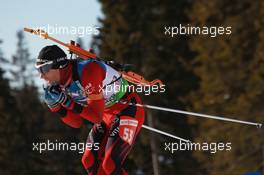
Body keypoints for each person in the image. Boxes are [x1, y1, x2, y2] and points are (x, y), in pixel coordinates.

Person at [36, 45, 145, 175]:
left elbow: (95, 117)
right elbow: (76, 122)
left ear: (60, 65)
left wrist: (67, 102)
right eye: (38, 70)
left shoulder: (88, 71)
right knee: (89, 160)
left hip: (127, 108)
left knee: (110, 163)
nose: (41, 76)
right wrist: (56, 107)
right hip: (106, 115)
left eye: (44, 69)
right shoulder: (59, 84)